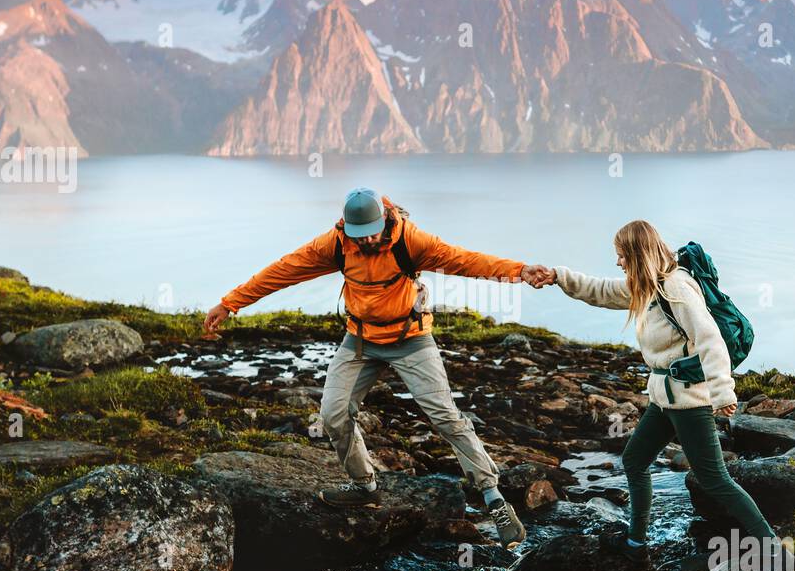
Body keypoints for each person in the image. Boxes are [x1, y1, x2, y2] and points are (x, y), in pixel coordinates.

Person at [204, 187, 551, 549]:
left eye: (371, 231)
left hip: (411, 339)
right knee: (334, 415)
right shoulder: (337, 244)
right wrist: (230, 304)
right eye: (359, 234)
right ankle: (364, 486)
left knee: (445, 416)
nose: (366, 239)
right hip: (361, 342)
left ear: (384, 220)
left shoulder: (411, 241)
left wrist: (520, 271)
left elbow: (465, 260)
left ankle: (493, 496)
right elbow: (283, 270)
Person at [533, 220, 777, 562]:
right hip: (664, 399)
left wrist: (724, 393)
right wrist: (558, 276)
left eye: (621, 256)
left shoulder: (675, 287)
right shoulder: (648, 286)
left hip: (690, 401)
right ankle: (636, 543)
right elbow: (600, 291)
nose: (618, 263)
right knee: (635, 460)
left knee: (714, 480)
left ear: (636, 254)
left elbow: (710, 339)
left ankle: (773, 550)